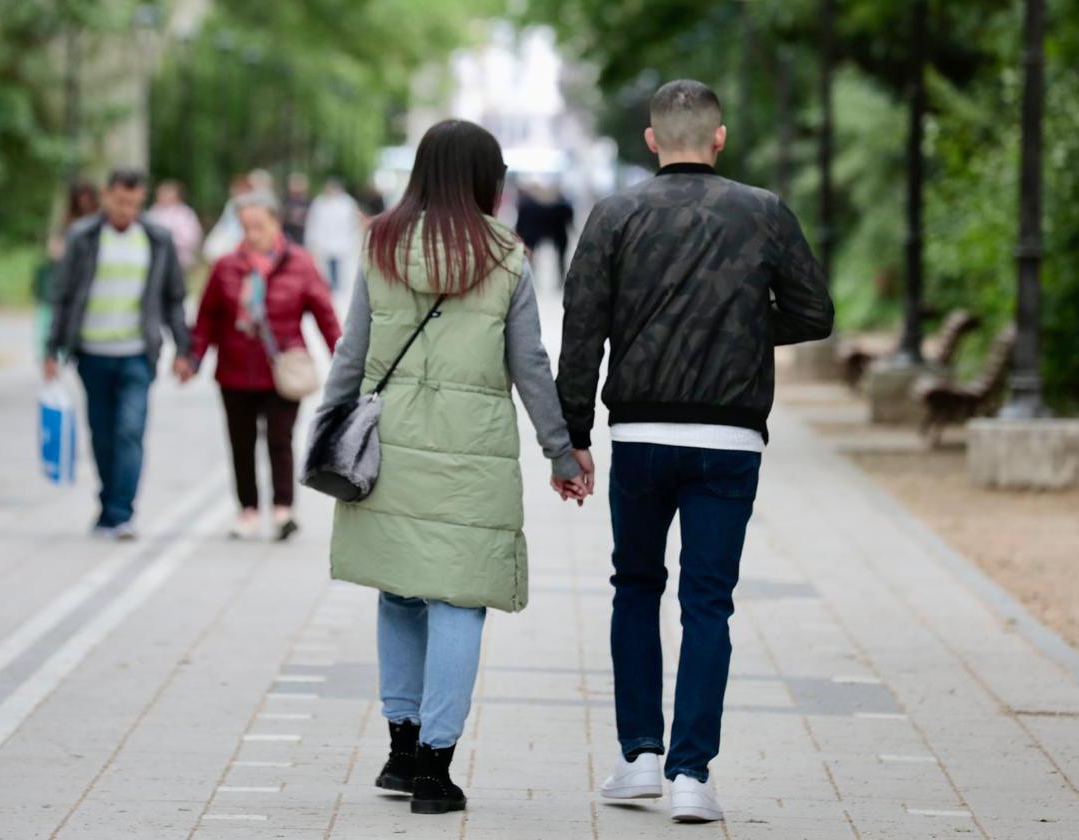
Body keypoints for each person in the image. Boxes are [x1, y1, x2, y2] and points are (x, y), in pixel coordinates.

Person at [556, 79, 834, 823]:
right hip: (728, 438)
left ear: (651, 139)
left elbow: (581, 328)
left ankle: (639, 756)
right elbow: (815, 312)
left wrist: (571, 438)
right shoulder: (763, 213)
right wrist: (738, 328)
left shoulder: (615, 214)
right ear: (719, 138)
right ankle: (691, 776)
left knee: (635, 588)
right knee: (708, 602)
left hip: (640, 435)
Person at [314, 120, 588, 815]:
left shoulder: (379, 244)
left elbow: (352, 353)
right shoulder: (503, 255)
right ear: (487, 181)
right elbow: (529, 363)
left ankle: (400, 752)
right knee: (457, 598)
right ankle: (436, 769)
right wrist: (563, 450)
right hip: (473, 456)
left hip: (390, 449)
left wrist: (327, 431)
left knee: (400, 590)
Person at [44, 168, 192, 540]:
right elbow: (62, 296)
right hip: (92, 353)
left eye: (134, 203)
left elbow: (174, 298)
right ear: (106, 196)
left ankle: (122, 513)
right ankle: (107, 505)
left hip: (137, 355)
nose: (126, 210)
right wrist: (51, 349)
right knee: (102, 434)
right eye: (120, 201)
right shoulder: (83, 237)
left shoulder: (157, 239)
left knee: (130, 431)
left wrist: (183, 349)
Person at [186, 191, 341, 540]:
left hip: (283, 369)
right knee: (240, 443)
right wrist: (193, 358)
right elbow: (206, 317)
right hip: (235, 369)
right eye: (246, 227)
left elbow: (325, 314)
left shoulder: (300, 263)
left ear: (275, 223)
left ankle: (284, 509)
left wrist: (343, 357)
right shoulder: (226, 266)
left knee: (279, 439)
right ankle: (248, 510)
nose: (252, 233)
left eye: (259, 225)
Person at [34, 182, 99, 358]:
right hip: (67, 275)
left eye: (87, 198)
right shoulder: (69, 223)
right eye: (80, 198)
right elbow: (54, 248)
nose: (83, 202)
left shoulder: (100, 224)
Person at [304, 177, 363, 292]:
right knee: (325, 268)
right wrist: (311, 239)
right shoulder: (319, 202)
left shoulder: (347, 202)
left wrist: (354, 238)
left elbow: (355, 221)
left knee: (339, 268)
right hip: (324, 242)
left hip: (342, 241)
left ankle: (336, 287)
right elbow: (313, 222)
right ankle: (331, 286)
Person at [146, 180, 203, 273]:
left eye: (166, 194)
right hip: (155, 259)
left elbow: (192, 237)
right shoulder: (153, 212)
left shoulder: (184, 213)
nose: (163, 197)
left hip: (179, 260)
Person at [282, 172, 312, 245]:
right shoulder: (284, 202)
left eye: (299, 183)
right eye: (295, 183)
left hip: (305, 239)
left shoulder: (310, 203)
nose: (297, 186)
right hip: (288, 238)